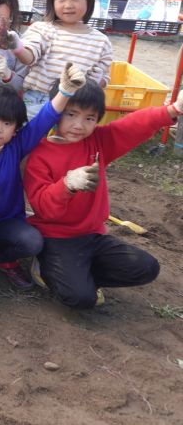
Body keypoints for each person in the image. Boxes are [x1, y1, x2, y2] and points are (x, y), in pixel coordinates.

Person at [23, 81, 176, 309]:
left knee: (147, 267)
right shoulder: (39, 154)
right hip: (56, 238)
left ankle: (77, 272)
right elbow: (44, 207)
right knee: (81, 298)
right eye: (71, 114)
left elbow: (132, 126)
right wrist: (67, 184)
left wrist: (172, 110)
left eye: (89, 118)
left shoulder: (98, 142)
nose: (78, 125)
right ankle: (45, 265)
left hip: (93, 235)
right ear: (57, 111)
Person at [0, 64, 85, 292]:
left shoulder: (15, 147)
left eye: (6, 123)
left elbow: (44, 119)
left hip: (8, 221)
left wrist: (64, 92)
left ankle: (4, 258)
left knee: (32, 241)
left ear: (15, 130)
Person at [1, 0, 112, 118]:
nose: (68, 5)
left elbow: (103, 78)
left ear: (89, 0)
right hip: (37, 102)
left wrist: (95, 83)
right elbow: (29, 55)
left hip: (76, 106)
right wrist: (16, 46)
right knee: (32, 140)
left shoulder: (101, 41)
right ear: (52, 2)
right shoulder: (43, 29)